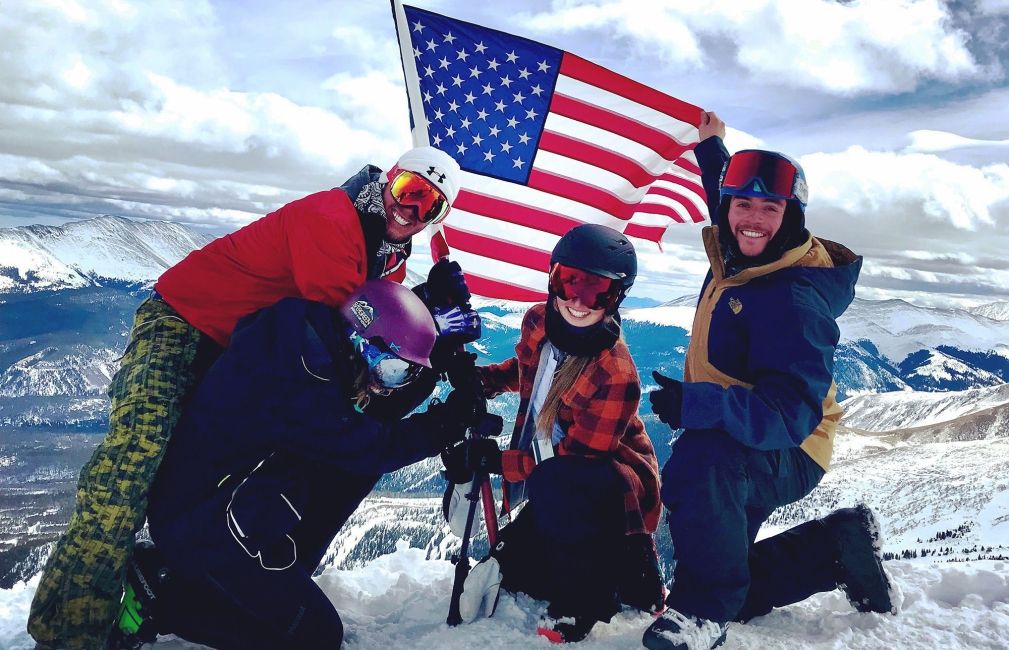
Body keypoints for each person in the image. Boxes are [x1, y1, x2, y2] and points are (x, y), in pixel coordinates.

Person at [28, 145, 477, 649]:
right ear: (388, 179)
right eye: (408, 191)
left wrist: (431, 336)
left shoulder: (389, 254)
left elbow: (365, 341)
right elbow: (340, 316)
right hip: (185, 324)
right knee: (133, 461)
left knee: (296, 446)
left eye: (430, 206)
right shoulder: (332, 219)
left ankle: (195, 577)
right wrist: (430, 315)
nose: (412, 211)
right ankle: (67, 631)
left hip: (247, 356)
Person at [113, 281, 493, 649]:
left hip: (220, 501)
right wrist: (447, 423)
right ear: (362, 345)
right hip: (202, 528)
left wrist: (434, 355)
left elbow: (372, 414)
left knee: (350, 470)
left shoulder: (307, 344)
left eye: (404, 373)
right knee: (315, 636)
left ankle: (226, 584)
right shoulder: (303, 382)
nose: (393, 384)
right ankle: (164, 599)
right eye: (395, 371)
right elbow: (372, 444)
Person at [641, 112, 892, 650]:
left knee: (699, 464)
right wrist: (713, 148)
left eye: (770, 208)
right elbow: (722, 193)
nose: (752, 218)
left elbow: (790, 413)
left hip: (790, 443)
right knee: (734, 577)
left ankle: (700, 617)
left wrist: (700, 406)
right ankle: (836, 547)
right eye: (743, 205)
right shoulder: (742, 243)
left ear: (792, 216)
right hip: (751, 433)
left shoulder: (793, 299)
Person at [441, 224, 664, 643]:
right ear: (552, 278)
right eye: (570, 282)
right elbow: (525, 371)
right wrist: (481, 381)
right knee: (520, 574)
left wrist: (497, 463)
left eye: (599, 291)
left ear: (618, 297)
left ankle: (589, 603)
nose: (579, 301)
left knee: (555, 485)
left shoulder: (614, 372)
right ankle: (624, 579)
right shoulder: (539, 321)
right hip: (559, 472)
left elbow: (575, 457)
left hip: (608, 480)